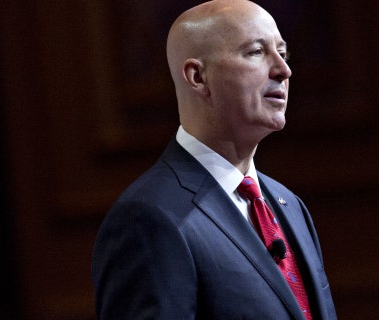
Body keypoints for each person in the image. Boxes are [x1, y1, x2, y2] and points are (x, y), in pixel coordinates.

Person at [91, 1, 337, 319]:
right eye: (256, 52)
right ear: (198, 77)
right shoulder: (147, 219)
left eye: (283, 53)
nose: (283, 70)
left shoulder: (289, 205)